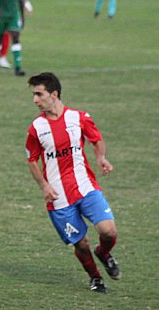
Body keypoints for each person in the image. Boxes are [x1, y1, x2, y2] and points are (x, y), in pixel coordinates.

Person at [24, 72, 121, 293]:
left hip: (86, 187)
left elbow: (96, 139)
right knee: (81, 243)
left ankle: (104, 254)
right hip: (58, 197)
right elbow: (32, 160)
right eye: (34, 95)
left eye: (39, 94)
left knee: (109, 231)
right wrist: (44, 186)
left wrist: (101, 158)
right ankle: (95, 278)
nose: (35, 100)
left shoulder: (79, 118)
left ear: (54, 94)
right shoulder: (36, 128)